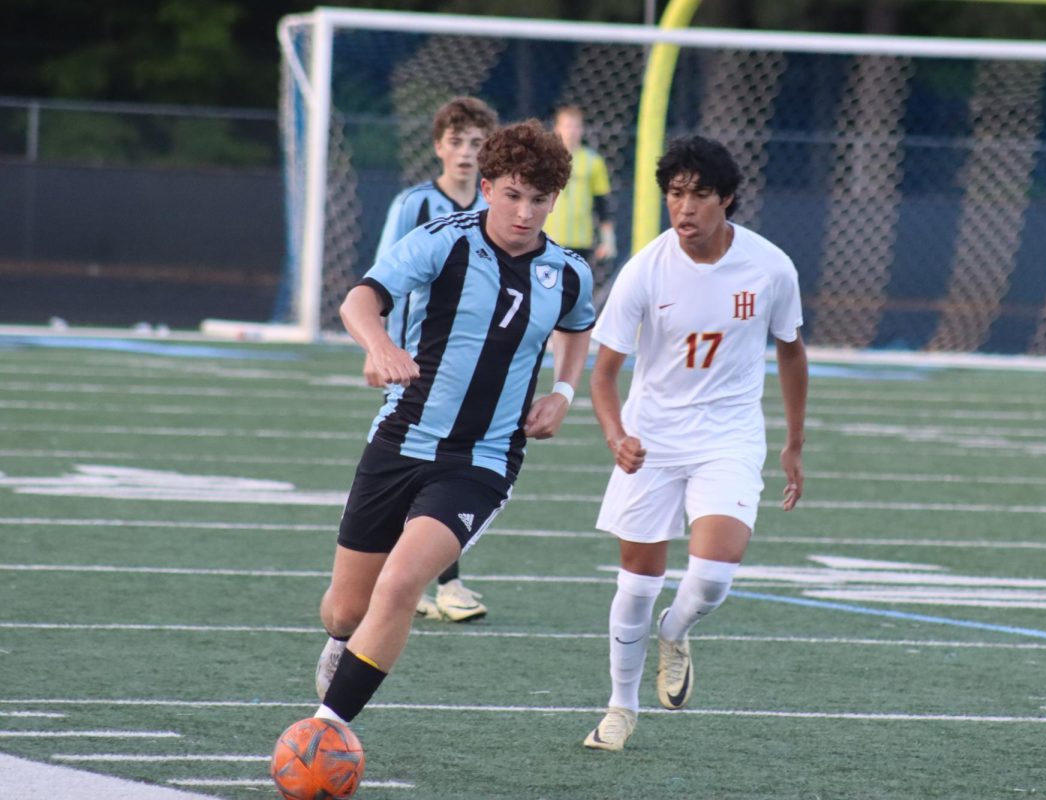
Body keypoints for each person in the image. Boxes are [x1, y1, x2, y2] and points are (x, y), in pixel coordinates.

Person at [305, 120, 593, 729]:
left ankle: (326, 730)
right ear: (488, 187)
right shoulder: (442, 240)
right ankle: (341, 645)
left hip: (482, 460)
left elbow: (578, 325)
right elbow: (360, 299)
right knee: (344, 610)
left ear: (553, 201)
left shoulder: (567, 271)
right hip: (400, 438)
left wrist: (564, 393)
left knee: (403, 584)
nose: (524, 212)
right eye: (512, 195)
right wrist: (379, 346)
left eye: (538, 200)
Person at [581, 136, 808, 751]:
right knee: (636, 582)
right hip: (651, 440)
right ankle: (620, 708)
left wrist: (793, 441)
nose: (684, 208)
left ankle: (675, 632)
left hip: (729, 437)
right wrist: (616, 435)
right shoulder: (645, 269)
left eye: (699, 195)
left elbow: (790, 351)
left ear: (726, 199)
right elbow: (602, 375)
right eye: (674, 194)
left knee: (710, 580)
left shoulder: (770, 267)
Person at [366, 95, 499, 624]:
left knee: (456, 466)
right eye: (457, 141)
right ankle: (433, 580)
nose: (466, 153)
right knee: (418, 466)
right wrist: (381, 348)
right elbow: (382, 280)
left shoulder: (496, 210)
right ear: (438, 146)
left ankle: (439, 580)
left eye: (476, 143)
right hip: (416, 362)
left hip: (472, 365)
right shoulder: (415, 205)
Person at [544, 105, 616, 276]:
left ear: (582, 129)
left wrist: (608, 240)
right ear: (557, 128)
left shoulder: (593, 161)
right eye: (567, 126)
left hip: (581, 242)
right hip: (548, 239)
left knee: (575, 292)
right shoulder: (545, 160)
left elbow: (602, 204)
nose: (572, 131)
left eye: (576, 126)